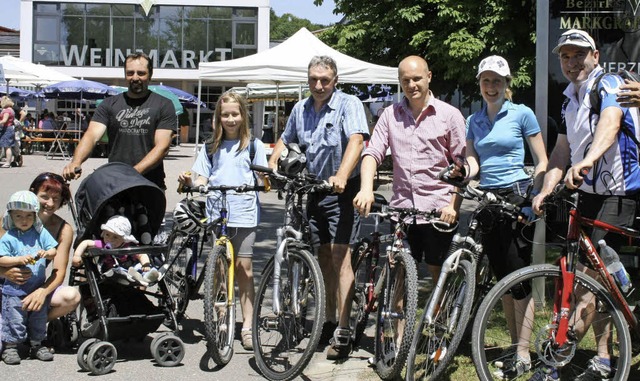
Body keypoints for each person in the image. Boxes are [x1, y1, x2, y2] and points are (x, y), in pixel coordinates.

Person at [531, 29, 640, 381]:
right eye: (565, 55)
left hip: (619, 190)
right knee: (588, 282)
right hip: (588, 194)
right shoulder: (569, 100)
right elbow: (561, 152)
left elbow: (611, 125)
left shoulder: (606, 83)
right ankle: (605, 357)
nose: (571, 61)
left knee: (590, 281)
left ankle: (559, 352)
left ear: (594, 55)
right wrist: (546, 188)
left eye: (578, 54)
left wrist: (588, 161)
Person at [268, 55, 369, 360]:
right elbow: (285, 141)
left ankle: (344, 328)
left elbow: (357, 141)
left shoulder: (348, 104)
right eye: (313, 79)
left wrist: (341, 174)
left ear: (335, 80)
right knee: (322, 256)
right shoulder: (300, 108)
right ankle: (327, 319)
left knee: (341, 258)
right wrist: (273, 165)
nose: (318, 85)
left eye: (325, 79)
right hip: (313, 191)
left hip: (341, 190)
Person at [454, 55, 548, 378]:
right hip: (488, 201)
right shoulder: (473, 121)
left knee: (520, 279)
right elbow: (473, 162)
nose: (491, 87)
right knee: (504, 283)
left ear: (507, 84)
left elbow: (542, 161)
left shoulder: (522, 114)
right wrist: (462, 170)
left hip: (517, 198)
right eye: (485, 81)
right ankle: (514, 348)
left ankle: (524, 352)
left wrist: (533, 197)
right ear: (479, 84)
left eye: (497, 81)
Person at [353, 55, 466, 284]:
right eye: (406, 80)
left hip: (438, 210)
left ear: (429, 77)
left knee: (438, 273)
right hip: (402, 210)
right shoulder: (390, 114)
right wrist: (366, 189)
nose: (412, 85)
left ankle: (434, 319)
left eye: (417, 79)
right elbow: (372, 152)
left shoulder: (449, 115)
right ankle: (397, 321)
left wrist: (453, 205)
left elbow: (462, 166)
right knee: (398, 274)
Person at [178, 91, 268, 351]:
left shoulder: (253, 145)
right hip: (218, 211)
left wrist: (263, 181)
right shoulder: (210, 146)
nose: (230, 119)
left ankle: (248, 324)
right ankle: (222, 317)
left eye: (235, 114)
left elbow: (263, 178)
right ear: (218, 117)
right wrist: (192, 183)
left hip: (244, 211)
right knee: (219, 267)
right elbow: (202, 178)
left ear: (243, 116)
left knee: (244, 268)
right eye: (225, 114)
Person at [62, 52, 177, 189]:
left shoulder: (163, 104)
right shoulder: (109, 104)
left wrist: (132, 173)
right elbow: (92, 135)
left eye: (141, 73)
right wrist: (76, 162)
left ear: (150, 75)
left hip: (150, 185)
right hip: (116, 184)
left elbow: (162, 147)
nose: (135, 77)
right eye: (130, 73)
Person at [0, 191, 58, 364]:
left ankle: (37, 344)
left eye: (28, 216)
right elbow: (2, 258)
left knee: (38, 319)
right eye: (18, 216)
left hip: (36, 286)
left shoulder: (40, 233)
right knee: (14, 318)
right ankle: (11, 346)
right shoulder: (9, 237)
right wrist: (18, 259)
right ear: (10, 216)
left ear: (35, 216)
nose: (24, 220)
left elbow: (53, 250)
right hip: (14, 289)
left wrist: (47, 253)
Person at [72, 215, 158, 285]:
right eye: (107, 235)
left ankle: (148, 275)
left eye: (115, 237)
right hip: (115, 271)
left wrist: (145, 264)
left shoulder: (129, 246)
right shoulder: (103, 244)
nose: (110, 239)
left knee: (139, 267)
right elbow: (86, 242)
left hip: (132, 267)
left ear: (124, 239)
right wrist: (77, 255)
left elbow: (141, 255)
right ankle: (136, 275)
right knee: (118, 271)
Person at [0, 96, 16, 168]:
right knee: (8, 146)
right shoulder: (11, 110)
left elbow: (4, 120)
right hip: (10, 128)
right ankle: (8, 162)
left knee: (7, 146)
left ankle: (7, 163)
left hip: (7, 128)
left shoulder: (6, 110)